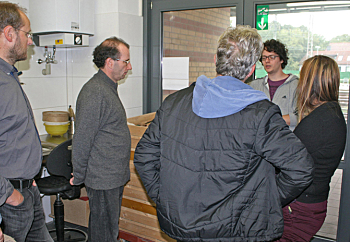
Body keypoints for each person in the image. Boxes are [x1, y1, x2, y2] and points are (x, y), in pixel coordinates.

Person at [133, 25, 314, 241]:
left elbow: (143, 156)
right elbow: (300, 169)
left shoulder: (174, 103)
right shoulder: (260, 115)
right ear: (250, 71)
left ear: (214, 59)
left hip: (183, 227)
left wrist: (164, 198)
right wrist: (263, 202)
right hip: (236, 231)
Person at [0, 2, 53, 242]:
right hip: (5, 202)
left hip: (27, 191)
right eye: (27, 34)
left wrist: (28, 187)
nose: (30, 41)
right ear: (9, 34)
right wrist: (9, 194)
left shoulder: (6, 73)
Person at [276, 55, 346, 242]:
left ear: (310, 81)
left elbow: (287, 163)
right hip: (311, 204)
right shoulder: (331, 113)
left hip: (299, 209)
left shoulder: (320, 121)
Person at [70, 37, 133, 242]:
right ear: (110, 62)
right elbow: (82, 140)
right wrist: (78, 176)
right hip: (102, 179)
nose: (129, 67)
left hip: (111, 177)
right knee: (103, 233)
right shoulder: (95, 92)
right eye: (126, 61)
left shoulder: (107, 88)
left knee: (108, 229)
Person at [249, 39, 298, 130]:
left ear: (281, 59)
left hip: (286, 140)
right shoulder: (254, 86)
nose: (267, 61)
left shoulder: (296, 85)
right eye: (264, 58)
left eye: (271, 57)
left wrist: (271, 119)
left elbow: (301, 116)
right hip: (260, 140)